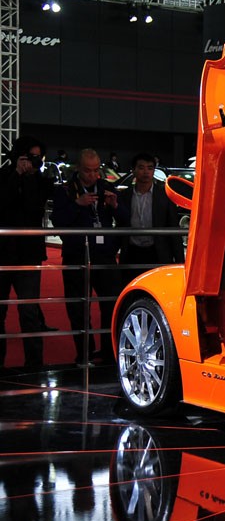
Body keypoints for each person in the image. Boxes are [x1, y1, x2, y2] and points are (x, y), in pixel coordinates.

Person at [51, 148, 129, 364]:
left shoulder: (106, 187)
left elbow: (125, 219)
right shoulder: (65, 190)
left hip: (104, 256)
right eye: (88, 170)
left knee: (110, 305)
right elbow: (58, 222)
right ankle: (85, 353)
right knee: (78, 308)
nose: (93, 175)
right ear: (78, 168)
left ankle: (109, 353)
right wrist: (77, 205)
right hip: (76, 255)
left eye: (96, 170)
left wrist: (115, 206)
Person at [0, 136, 53, 369]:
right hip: (2, 253)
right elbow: (2, 202)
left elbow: (35, 207)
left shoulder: (41, 181)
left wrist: (29, 177)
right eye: (30, 156)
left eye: (38, 157)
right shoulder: (3, 176)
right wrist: (16, 175)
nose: (34, 161)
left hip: (29, 255)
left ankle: (34, 365)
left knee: (29, 312)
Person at [117, 152, 184, 283]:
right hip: (132, 252)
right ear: (133, 170)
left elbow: (174, 229)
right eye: (141, 168)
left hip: (157, 253)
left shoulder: (164, 196)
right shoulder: (124, 196)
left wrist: (180, 261)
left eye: (150, 168)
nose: (146, 172)